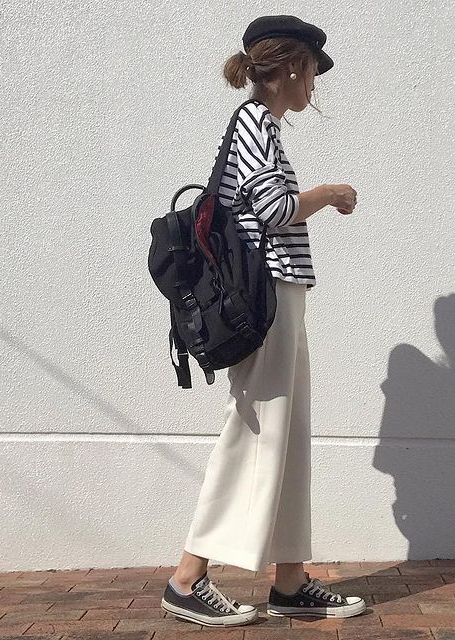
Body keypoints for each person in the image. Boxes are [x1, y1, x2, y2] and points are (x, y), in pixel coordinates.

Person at [160, 15, 362, 627]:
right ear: (292, 66)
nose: (314, 87)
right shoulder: (253, 121)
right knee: (255, 429)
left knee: (285, 433)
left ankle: (290, 581)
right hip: (267, 294)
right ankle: (187, 578)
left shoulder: (263, 125)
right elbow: (274, 210)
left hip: (281, 293)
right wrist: (329, 194)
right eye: (313, 73)